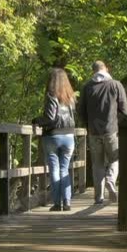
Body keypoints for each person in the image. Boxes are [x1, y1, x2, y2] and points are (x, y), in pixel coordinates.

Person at [78, 60, 127, 205]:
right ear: (106, 69)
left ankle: (98, 197)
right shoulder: (115, 85)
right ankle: (111, 179)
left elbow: (80, 110)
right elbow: (124, 110)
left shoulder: (87, 87)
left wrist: (87, 125)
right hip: (111, 130)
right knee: (115, 158)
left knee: (97, 164)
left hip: (93, 131)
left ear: (93, 71)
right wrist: (123, 126)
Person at [36, 68, 77, 211]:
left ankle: (57, 203)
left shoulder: (51, 95)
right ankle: (67, 202)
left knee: (54, 168)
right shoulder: (70, 97)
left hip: (53, 135)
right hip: (69, 136)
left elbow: (50, 118)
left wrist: (37, 120)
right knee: (64, 169)